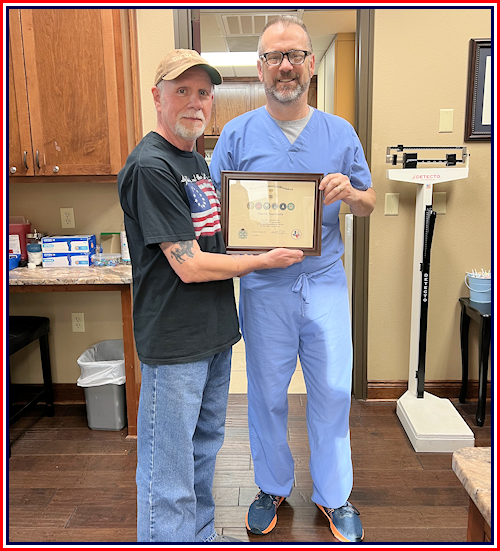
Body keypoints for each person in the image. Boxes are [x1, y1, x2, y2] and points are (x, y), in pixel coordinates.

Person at [117, 49, 304, 543]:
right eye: (182, 91)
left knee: (202, 457)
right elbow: (189, 263)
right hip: (175, 343)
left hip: (214, 336)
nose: (195, 102)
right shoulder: (151, 166)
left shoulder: (194, 160)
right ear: (156, 97)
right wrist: (263, 260)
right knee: (168, 474)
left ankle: (199, 537)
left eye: (203, 92)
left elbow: (223, 233)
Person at [210, 17, 376, 543]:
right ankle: (271, 487)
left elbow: (370, 202)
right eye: (274, 56)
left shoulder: (340, 131)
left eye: (295, 55)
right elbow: (216, 208)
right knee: (266, 392)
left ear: (309, 64)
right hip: (264, 287)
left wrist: (351, 193)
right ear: (261, 67)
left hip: (323, 281)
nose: (286, 65)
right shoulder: (237, 134)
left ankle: (334, 496)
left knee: (331, 390)